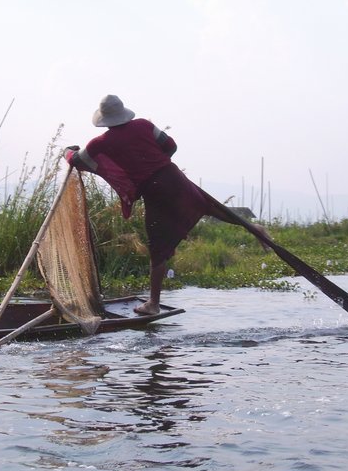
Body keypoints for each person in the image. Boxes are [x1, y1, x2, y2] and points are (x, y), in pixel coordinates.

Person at [65, 94, 271, 316]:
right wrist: (157, 162)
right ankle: (254, 228)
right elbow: (170, 146)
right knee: (210, 206)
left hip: (154, 190)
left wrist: (67, 150)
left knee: (158, 248)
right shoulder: (143, 125)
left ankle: (153, 304)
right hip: (172, 176)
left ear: (105, 119)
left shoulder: (101, 143)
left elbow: (76, 160)